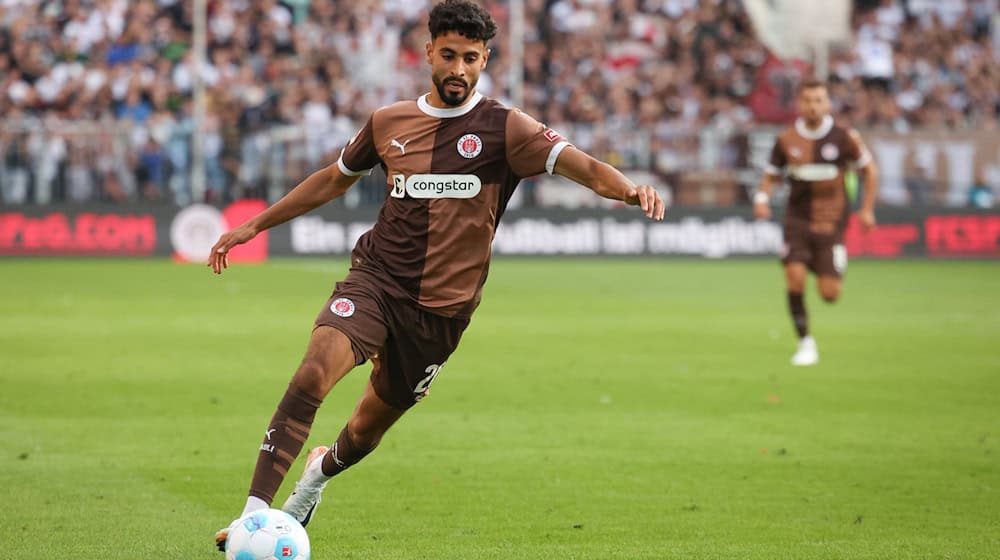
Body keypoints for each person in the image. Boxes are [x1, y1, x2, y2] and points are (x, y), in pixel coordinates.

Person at [208, 0, 666, 550]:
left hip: (441, 314)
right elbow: (333, 180)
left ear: (485, 59)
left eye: (470, 58)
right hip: (375, 280)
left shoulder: (506, 129)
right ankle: (251, 517)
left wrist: (630, 189)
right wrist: (253, 225)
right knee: (312, 374)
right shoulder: (388, 122)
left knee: (365, 432)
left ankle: (315, 481)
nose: (458, 69)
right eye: (448, 55)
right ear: (428, 52)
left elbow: (586, 168)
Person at [754, 80, 879, 366]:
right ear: (800, 103)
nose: (813, 106)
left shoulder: (844, 138)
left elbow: (869, 172)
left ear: (828, 104)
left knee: (830, 294)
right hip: (796, 221)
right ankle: (805, 342)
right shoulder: (786, 139)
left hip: (831, 224)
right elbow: (771, 175)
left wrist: (868, 209)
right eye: (808, 100)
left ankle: (824, 262)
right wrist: (762, 199)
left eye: (819, 100)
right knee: (794, 278)